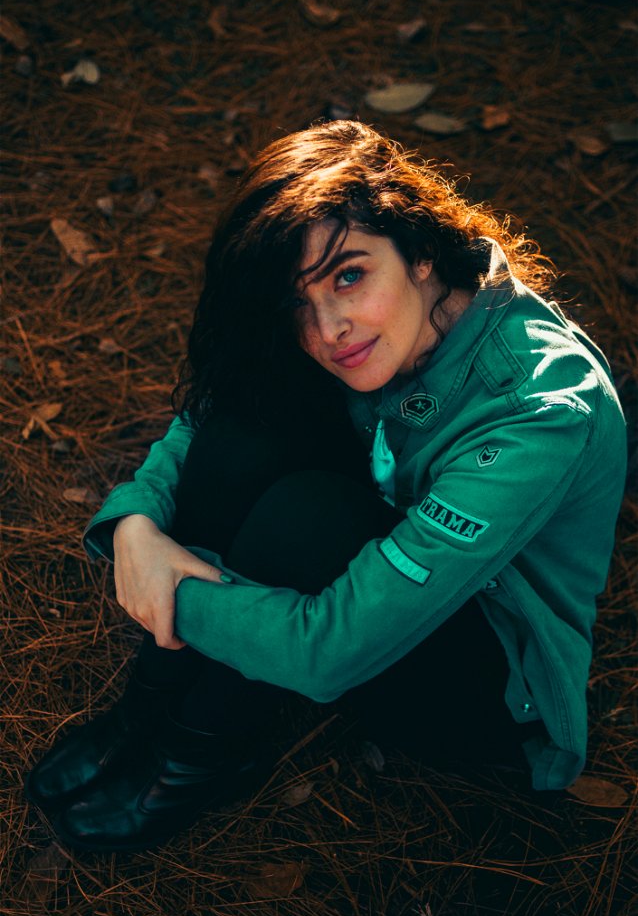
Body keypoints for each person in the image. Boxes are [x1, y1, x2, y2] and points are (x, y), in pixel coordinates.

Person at [24, 119, 627, 853]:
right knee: (250, 430)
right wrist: (135, 529)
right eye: (299, 303)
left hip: (492, 689)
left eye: (350, 275)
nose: (331, 326)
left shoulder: (537, 412)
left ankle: (198, 750)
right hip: (393, 558)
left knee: (303, 520)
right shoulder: (378, 326)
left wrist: (167, 592)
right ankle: (149, 710)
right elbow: (212, 420)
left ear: (423, 252)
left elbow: (332, 650)